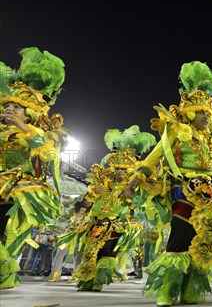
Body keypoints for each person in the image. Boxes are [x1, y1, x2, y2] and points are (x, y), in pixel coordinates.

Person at [127, 60, 212, 307]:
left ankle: (190, 289)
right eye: (201, 113)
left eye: (209, 114)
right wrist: (139, 176)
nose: (206, 117)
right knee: (181, 236)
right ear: (190, 114)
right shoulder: (178, 133)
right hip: (184, 190)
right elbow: (155, 155)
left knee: (204, 241)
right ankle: (168, 289)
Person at [1, 48, 66, 289]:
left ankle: (5, 276)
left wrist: (22, 128)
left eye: (16, 107)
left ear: (28, 114)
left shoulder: (40, 133)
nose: (9, 109)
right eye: (7, 105)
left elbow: (45, 150)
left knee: (9, 235)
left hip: (22, 192)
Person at [70, 126, 153, 291]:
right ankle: (87, 279)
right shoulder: (105, 181)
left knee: (108, 249)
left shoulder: (133, 185)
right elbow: (90, 198)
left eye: (125, 169)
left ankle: (99, 280)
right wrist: (95, 192)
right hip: (97, 219)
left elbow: (139, 201)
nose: (121, 172)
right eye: (118, 168)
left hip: (117, 221)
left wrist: (132, 194)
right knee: (92, 249)